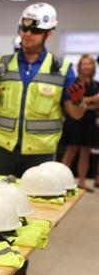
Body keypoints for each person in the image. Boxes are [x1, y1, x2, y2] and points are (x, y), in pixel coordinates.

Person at [0, 2, 86, 275]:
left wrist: (79, 100)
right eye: (24, 28)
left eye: (36, 29)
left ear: (48, 34)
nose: (28, 34)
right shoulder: (0, 64)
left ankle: (20, 268)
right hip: (0, 150)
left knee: (25, 215)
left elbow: (75, 113)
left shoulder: (62, 69)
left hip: (40, 156)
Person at [60, 54, 99, 192]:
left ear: (93, 66)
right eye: (84, 63)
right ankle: (61, 181)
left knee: (85, 152)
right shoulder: (74, 82)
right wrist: (92, 99)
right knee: (70, 151)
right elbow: (73, 102)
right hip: (74, 120)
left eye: (90, 63)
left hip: (89, 121)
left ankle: (82, 182)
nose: (87, 66)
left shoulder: (95, 84)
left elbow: (94, 105)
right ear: (80, 66)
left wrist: (85, 102)